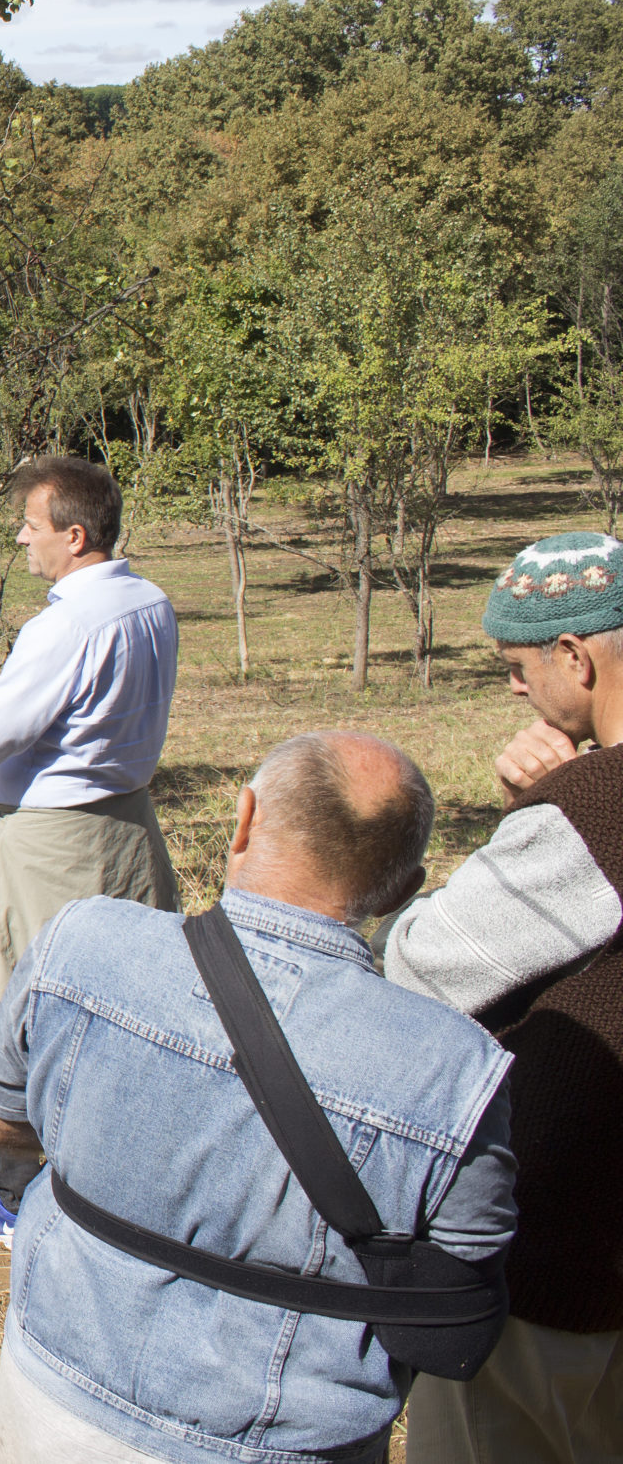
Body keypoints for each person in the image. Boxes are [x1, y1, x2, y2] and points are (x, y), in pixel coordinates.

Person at [0, 732, 516, 1464]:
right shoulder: (461, 1073)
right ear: (401, 889)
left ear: (242, 819)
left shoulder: (80, 943)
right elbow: (458, 1304)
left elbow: (0, 1118)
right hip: (282, 1442)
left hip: (52, 1396)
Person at [0, 455, 178, 1246]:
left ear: (74, 534)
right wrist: (2, 681)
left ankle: (20, 1197)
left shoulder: (67, 622)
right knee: (119, 1009)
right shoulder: (147, 602)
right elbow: (81, 693)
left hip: (51, 841)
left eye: (32, 524)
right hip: (128, 829)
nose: (21, 537)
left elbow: (8, 729)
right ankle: (115, 1185)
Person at [384, 531, 623, 1464]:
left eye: (519, 666)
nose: (516, 688)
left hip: (553, 1255)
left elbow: (424, 965)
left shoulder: (597, 810)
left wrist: (544, 807)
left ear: (574, 656)